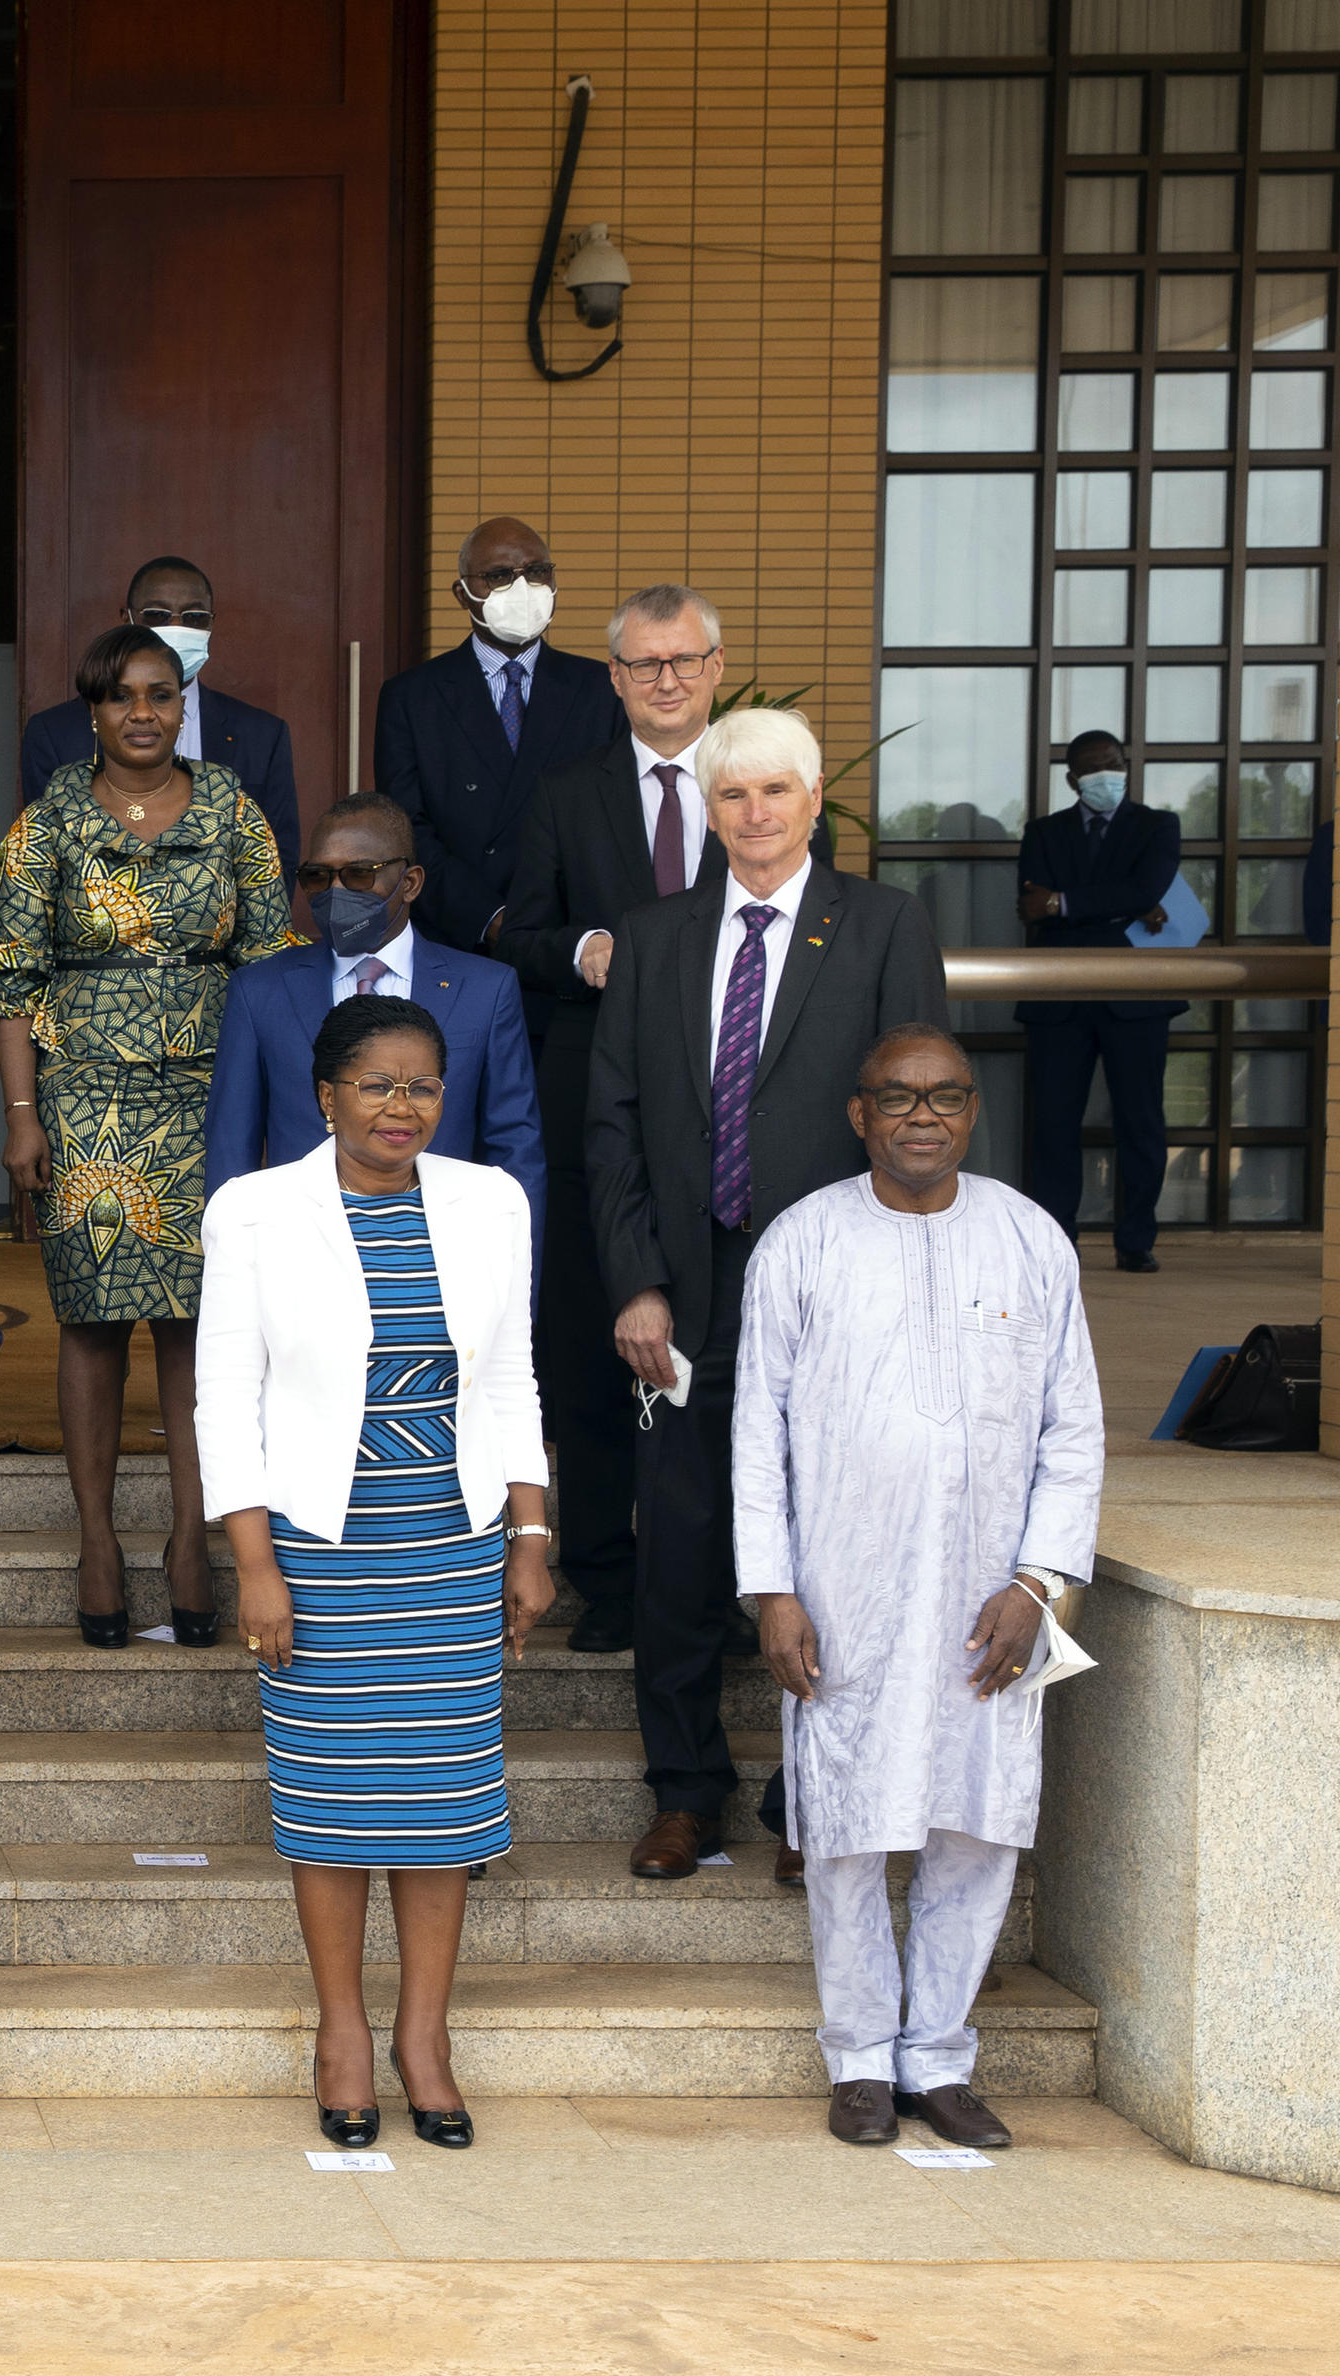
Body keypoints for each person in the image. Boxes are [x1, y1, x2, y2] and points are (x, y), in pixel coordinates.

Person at [588, 707, 948, 1887]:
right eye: (730, 794)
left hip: (837, 1293)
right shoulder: (653, 935)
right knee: (678, 1556)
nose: (753, 814)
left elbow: (913, 1112)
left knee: (828, 1561)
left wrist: (898, 1287)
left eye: (775, 793)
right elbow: (615, 1124)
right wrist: (635, 1282)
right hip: (683, 1303)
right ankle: (686, 1795)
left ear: (812, 801)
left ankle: (811, 1797)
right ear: (708, 805)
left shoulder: (882, 924)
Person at [197, 993, 555, 2151]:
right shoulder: (253, 1210)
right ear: (325, 1095)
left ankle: (424, 2038)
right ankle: (342, 2031)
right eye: (376, 1084)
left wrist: (530, 1533)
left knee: (443, 1804)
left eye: (422, 1087)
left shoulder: (487, 1201)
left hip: (449, 1537)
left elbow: (510, 1377)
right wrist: (252, 1561)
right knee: (333, 1799)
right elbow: (223, 1397)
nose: (401, 1106)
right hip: (319, 1543)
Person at [742, 1026, 1102, 2151]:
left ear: (972, 1110)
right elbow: (756, 1434)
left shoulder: (1028, 1237)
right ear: (858, 1114)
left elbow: (1073, 1429)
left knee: (977, 1823)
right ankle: (858, 2055)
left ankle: (937, 2057)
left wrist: (1039, 1582)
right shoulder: (801, 1241)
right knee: (846, 1822)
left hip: (992, 1595)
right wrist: (773, 1591)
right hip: (842, 1587)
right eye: (894, 1096)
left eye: (944, 1096)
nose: (920, 1115)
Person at [0, 626, 298, 1650]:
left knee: (204, 1325)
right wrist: (20, 1118)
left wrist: (278, 1117)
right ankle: (97, 1538)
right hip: (86, 1101)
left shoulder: (236, 813)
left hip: (214, 1099)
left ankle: (191, 1539)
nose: (144, 714)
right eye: (122, 697)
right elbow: (9, 977)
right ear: (93, 710)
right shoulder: (46, 823)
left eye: (162, 694)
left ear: (183, 704)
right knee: (93, 1322)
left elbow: (274, 966)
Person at [493, 583, 740, 1658]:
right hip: (593, 1096)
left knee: (725, 1349)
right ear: (615, 680)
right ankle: (602, 1574)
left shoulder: (757, 786)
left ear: (716, 666)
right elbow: (518, 933)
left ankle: (731, 1582)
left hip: (732, 1107)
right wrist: (583, 950)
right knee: (592, 1345)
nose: (666, 680)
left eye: (683, 660)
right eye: (644, 665)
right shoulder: (566, 791)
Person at [205, 792, 543, 1212]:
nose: (335, 891)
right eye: (317, 877)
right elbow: (231, 1153)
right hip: (299, 1249)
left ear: (410, 883)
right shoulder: (259, 991)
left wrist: (513, 1271)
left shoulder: (486, 989)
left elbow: (515, 1149)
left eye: (359, 875)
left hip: (447, 1246)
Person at [372, 516, 627, 953]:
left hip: (576, 944)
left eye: (537, 572)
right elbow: (406, 830)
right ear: (462, 593)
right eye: (499, 576)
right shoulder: (412, 697)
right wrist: (488, 919)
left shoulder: (603, 688)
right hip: (458, 940)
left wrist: (569, 935)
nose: (522, 588)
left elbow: (619, 819)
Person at [1016, 729, 1183, 1275]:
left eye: (1112, 764)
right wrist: (1120, 906)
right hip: (1058, 996)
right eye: (1092, 769)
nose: (1105, 775)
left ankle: (1135, 1240)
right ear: (1071, 779)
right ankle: (1056, 1240)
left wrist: (1064, 902)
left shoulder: (1158, 825)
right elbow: (1029, 908)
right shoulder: (1043, 831)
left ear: (1126, 765)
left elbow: (1146, 889)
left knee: (1140, 1122)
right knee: (1053, 1124)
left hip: (1135, 996)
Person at [16, 555, 299, 856]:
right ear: (127, 620)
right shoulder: (54, 732)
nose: (177, 628)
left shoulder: (263, 736)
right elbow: (41, 857)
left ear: (211, 624)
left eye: (194, 618)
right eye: (157, 615)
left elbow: (276, 860)